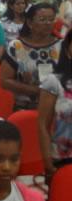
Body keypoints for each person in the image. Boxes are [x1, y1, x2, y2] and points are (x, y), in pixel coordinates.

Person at [1, 3, 62, 110]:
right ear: (29, 23)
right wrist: (37, 91)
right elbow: (5, 81)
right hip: (25, 106)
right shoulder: (17, 47)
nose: (48, 23)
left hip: (57, 107)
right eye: (42, 19)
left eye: (51, 19)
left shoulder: (62, 46)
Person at [38, 29, 72, 178]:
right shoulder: (54, 81)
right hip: (62, 158)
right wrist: (47, 161)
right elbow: (43, 125)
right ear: (68, 50)